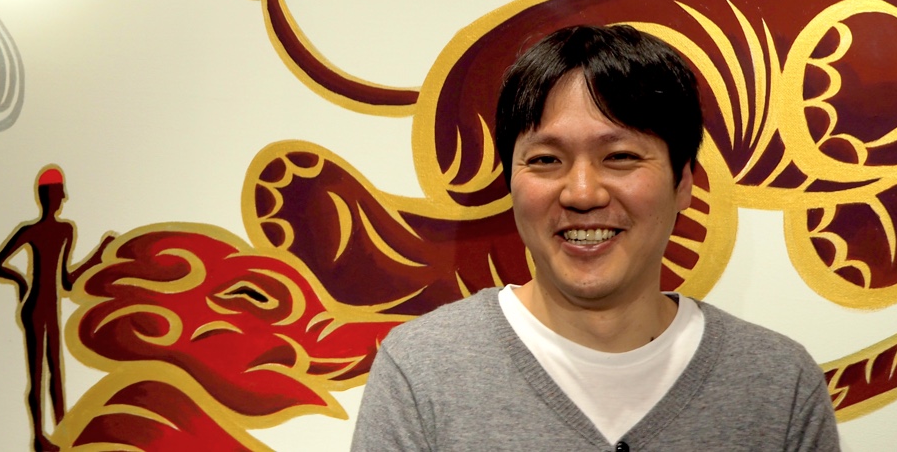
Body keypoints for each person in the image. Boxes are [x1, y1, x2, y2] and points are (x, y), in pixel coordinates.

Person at [351, 26, 839, 450]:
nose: (582, 193)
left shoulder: (778, 385)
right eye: (546, 160)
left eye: (620, 157)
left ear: (684, 183)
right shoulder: (422, 371)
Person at [0, 165, 112, 452]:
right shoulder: (31, 231)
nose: (63, 198)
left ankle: (61, 432)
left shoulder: (64, 230)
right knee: (38, 375)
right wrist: (21, 282)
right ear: (49, 196)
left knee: (55, 373)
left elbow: (67, 282)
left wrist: (97, 254)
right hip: (34, 308)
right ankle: (38, 437)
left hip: (50, 307)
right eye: (60, 193)